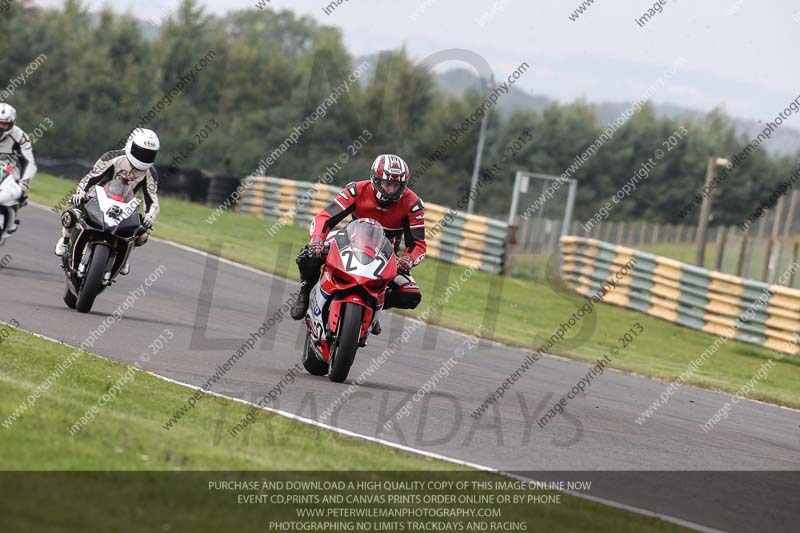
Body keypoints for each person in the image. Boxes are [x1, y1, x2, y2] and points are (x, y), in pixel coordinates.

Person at [290, 154, 426, 334]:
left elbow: (418, 244)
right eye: (387, 184)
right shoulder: (356, 190)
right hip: (349, 241)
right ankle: (306, 291)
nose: (392, 190)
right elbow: (325, 217)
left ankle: (373, 308)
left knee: (411, 294)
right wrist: (317, 240)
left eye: (397, 185)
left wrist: (407, 260)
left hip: (386, 254)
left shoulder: (413, 204)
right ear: (375, 180)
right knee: (307, 255)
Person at [54, 129, 161, 275]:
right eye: (141, 152)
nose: (144, 157)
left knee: (141, 234)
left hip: (125, 206)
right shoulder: (112, 157)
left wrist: (150, 218)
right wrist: (80, 193)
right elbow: (91, 177)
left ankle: (124, 255)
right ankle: (66, 239)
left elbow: (152, 200)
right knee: (70, 215)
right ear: (131, 145)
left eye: (149, 154)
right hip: (96, 198)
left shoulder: (150, 172)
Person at [0, 103, 37, 234]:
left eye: (4, 124)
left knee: (20, 194)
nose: (1, 127)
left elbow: (29, 163)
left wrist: (24, 186)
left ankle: (12, 214)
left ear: (12, 123)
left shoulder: (20, 137)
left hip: (9, 172)